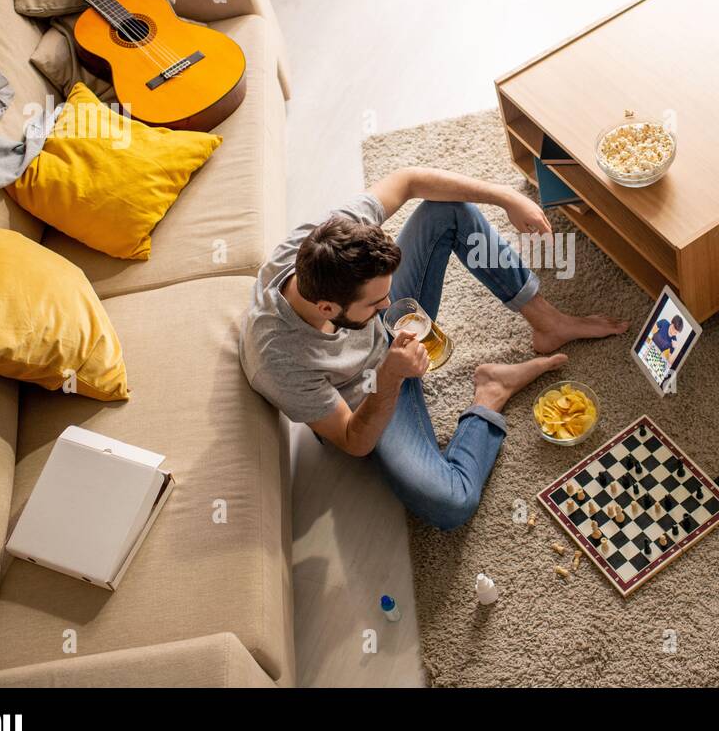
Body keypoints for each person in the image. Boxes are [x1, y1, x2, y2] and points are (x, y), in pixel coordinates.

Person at [240, 167, 629, 530]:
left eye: (387, 296)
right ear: (327, 308)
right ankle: (490, 394)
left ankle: (549, 323)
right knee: (451, 503)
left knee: (447, 211)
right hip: (369, 397)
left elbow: (408, 180)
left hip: (385, 358)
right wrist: (391, 374)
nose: (387, 310)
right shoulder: (278, 359)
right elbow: (351, 440)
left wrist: (507, 197)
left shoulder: (329, 240)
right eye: (376, 305)